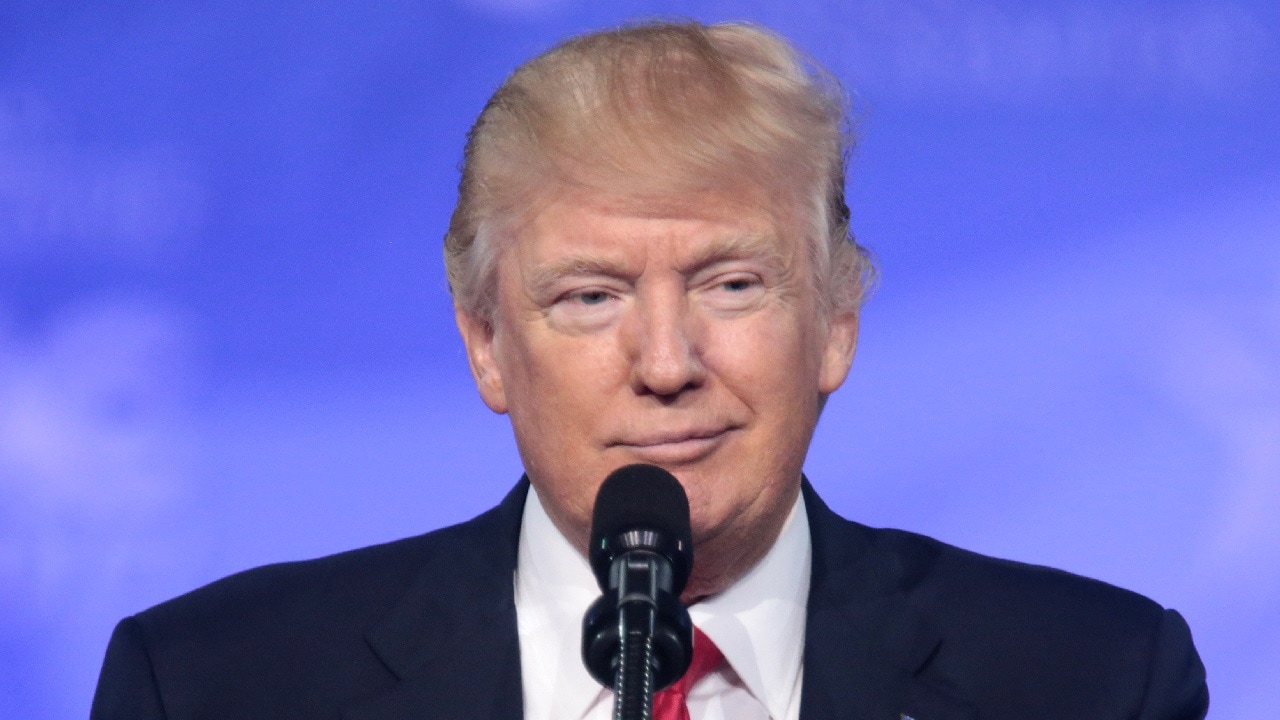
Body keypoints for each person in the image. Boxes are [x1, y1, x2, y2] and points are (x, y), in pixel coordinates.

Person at [90, 20, 1209, 720]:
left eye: (730, 284)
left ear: (835, 322)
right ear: (485, 342)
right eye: (590, 297)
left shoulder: (1089, 682)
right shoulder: (214, 686)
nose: (665, 365)